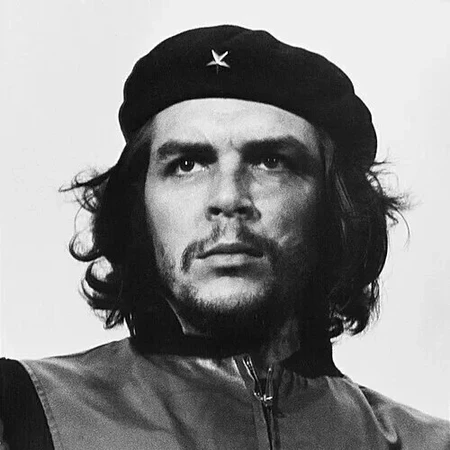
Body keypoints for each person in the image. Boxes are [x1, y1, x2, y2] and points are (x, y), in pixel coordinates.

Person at [0, 25, 449, 450]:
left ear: (335, 206)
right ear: (138, 206)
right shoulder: (19, 415)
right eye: (187, 165)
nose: (228, 198)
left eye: (271, 161)